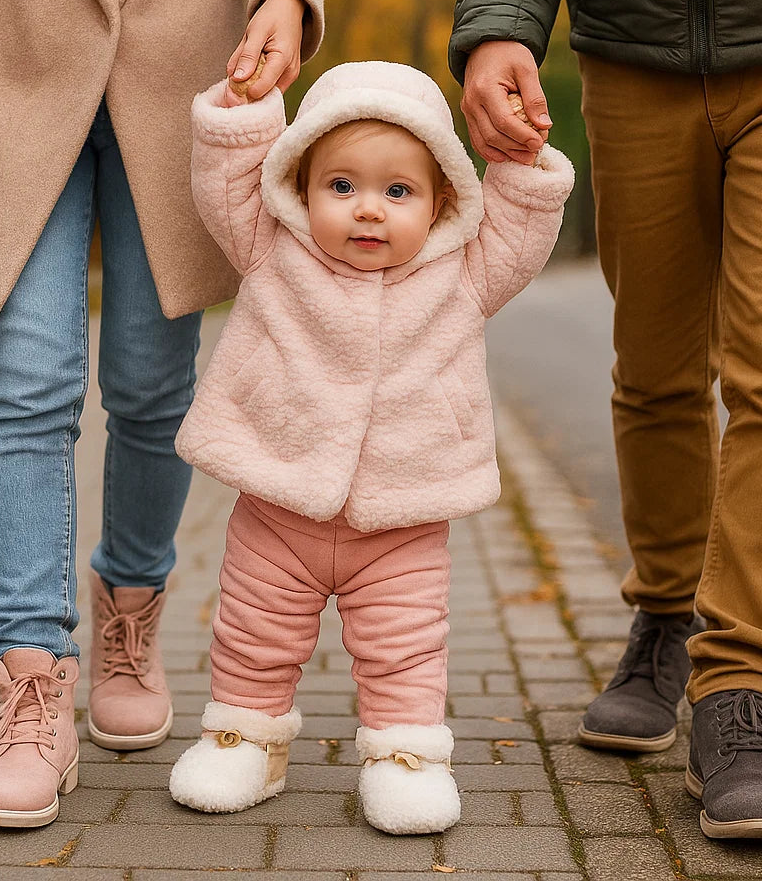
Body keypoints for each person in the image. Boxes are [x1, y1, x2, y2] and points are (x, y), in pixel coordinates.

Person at [0, 0, 330, 828]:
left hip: (188, 79)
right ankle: (31, 680)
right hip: (11, 71)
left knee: (151, 382)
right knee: (29, 382)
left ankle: (130, 607)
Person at [449, 0, 762, 842]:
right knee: (656, 361)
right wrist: (501, 21)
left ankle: (740, 684)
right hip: (634, 45)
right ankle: (665, 612)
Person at [160, 60, 574, 833]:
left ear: (443, 198)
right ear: (300, 187)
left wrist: (518, 161)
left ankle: (405, 757)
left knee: (405, 648)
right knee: (253, 633)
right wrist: (244, 112)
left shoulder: (464, 272)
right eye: (341, 187)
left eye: (398, 191)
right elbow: (226, 181)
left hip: (404, 518)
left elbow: (520, 230)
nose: (368, 212)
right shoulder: (270, 247)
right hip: (278, 507)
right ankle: (243, 738)